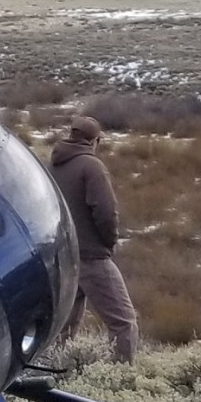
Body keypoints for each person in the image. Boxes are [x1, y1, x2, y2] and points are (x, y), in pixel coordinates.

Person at [50, 116, 140, 363]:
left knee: (64, 327)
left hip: (65, 256)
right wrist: (109, 243)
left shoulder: (54, 165)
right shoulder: (92, 166)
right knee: (124, 323)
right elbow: (106, 212)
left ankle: (58, 374)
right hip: (92, 256)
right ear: (94, 141)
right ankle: (121, 376)